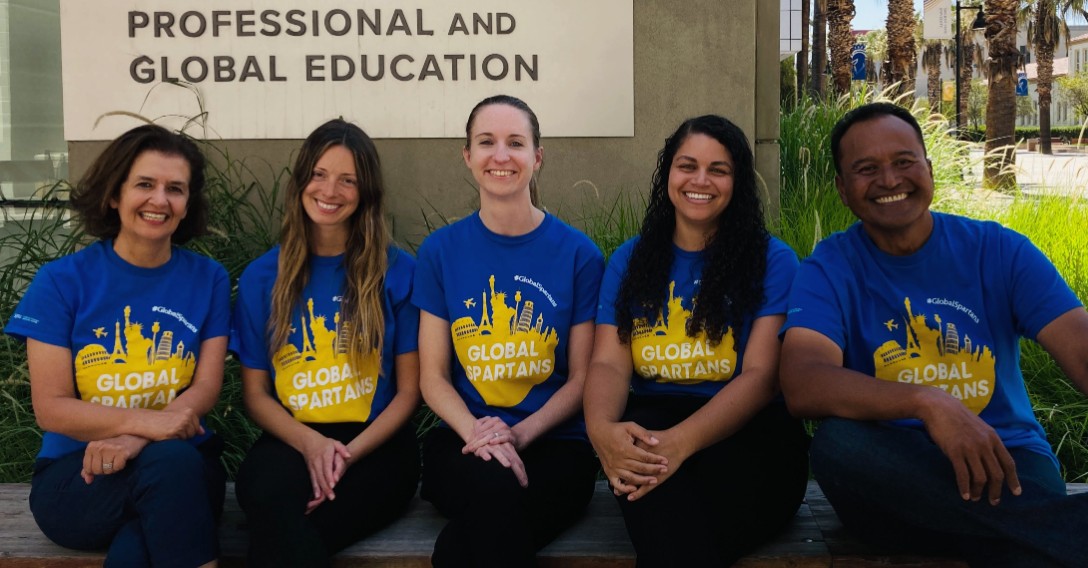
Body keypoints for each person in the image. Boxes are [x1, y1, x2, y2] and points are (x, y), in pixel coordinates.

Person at [780, 102, 1088, 567]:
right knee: (837, 445)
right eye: (867, 169)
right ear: (843, 190)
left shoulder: (998, 250)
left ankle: (1024, 533)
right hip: (893, 475)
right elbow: (803, 380)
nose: (889, 180)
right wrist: (929, 403)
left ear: (928, 167)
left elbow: (1082, 350)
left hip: (1005, 460)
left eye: (904, 162)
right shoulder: (829, 267)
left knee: (1019, 538)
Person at [584, 115, 809, 566]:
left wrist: (680, 443)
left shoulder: (772, 260)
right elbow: (609, 364)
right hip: (654, 425)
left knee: (675, 531)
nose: (700, 180)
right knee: (660, 505)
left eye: (718, 169)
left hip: (751, 432)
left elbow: (763, 377)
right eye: (687, 165)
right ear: (668, 172)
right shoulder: (631, 259)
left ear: (737, 181)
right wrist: (602, 432)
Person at [3, 125, 228, 567]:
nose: (160, 200)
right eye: (144, 184)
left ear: (188, 203)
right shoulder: (62, 281)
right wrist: (146, 426)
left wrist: (133, 441)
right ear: (113, 194)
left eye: (175, 189)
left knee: (150, 518)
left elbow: (205, 389)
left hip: (181, 467)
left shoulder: (209, 278)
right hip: (80, 477)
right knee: (171, 484)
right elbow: (52, 408)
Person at [412, 94, 605, 567]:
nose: (501, 155)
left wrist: (517, 436)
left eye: (516, 143)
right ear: (468, 156)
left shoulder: (579, 255)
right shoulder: (439, 252)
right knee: (493, 494)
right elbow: (432, 376)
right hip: (461, 441)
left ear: (537, 158)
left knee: (459, 549)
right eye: (487, 142)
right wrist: (480, 433)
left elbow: (583, 379)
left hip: (556, 445)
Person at [230, 119, 420, 567]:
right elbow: (256, 394)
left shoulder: (398, 271)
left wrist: (347, 456)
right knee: (265, 496)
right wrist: (312, 445)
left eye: (347, 180)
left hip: (377, 447)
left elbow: (410, 392)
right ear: (301, 180)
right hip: (291, 440)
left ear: (365, 192)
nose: (329, 190)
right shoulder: (263, 276)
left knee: (288, 533)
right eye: (319, 174)